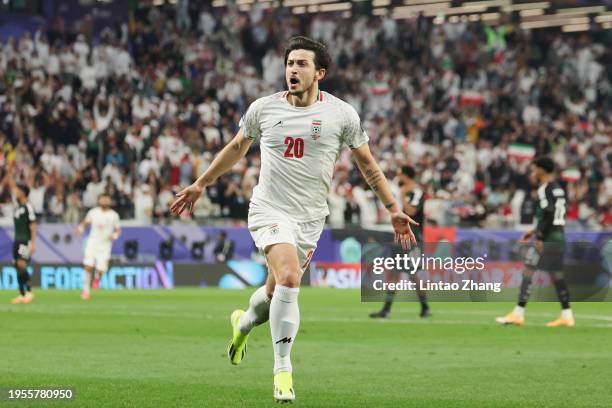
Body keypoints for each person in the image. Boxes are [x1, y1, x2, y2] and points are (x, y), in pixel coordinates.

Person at [170, 36, 417, 403]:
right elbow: (237, 147)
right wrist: (200, 184)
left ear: (320, 72)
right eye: (290, 63)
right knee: (289, 277)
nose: (293, 70)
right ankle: (282, 369)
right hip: (269, 208)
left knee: (274, 293)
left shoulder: (342, 114)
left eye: (302, 64)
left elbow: (369, 165)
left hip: (309, 218)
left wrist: (393, 207)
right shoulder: (264, 109)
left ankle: (243, 324)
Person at [496, 157, 574, 327]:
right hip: (559, 236)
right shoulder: (559, 189)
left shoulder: (544, 189)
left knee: (528, 271)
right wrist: (532, 231)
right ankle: (567, 315)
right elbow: (556, 214)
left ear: (542, 170)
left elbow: (548, 212)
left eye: (535, 168)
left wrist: (539, 237)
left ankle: (518, 314)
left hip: (547, 238)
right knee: (557, 276)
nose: (533, 171)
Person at [370, 165, 430, 318]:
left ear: (405, 175)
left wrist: (402, 195)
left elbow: (411, 212)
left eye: (400, 174)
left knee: (406, 272)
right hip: (403, 237)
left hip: (413, 238)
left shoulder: (415, 191)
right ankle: (420, 307)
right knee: (401, 272)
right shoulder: (406, 190)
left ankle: (390, 309)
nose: (398, 177)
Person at [75, 192, 121, 300]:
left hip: (105, 245)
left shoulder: (114, 215)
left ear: (110, 201)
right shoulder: (93, 212)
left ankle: (97, 277)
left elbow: (118, 230)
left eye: (107, 199)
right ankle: (86, 291)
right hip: (92, 243)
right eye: (103, 198)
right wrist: (80, 229)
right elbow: (85, 222)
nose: (104, 201)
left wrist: (114, 235)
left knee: (100, 269)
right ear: (99, 200)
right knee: (88, 266)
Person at [10, 182, 37, 304]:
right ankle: (22, 294)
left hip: (25, 240)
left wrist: (33, 242)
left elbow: (33, 225)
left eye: (17, 191)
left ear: (23, 192)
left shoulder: (28, 207)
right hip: (17, 240)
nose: (15, 192)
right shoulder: (18, 207)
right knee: (16, 266)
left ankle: (29, 292)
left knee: (21, 264)